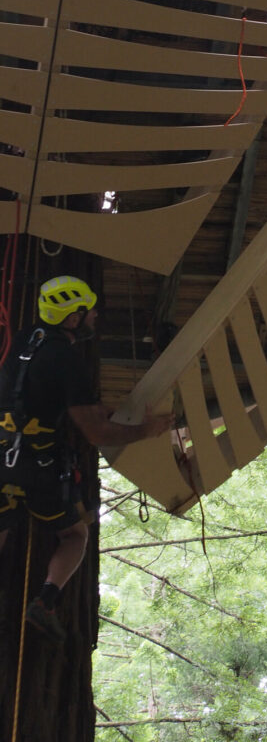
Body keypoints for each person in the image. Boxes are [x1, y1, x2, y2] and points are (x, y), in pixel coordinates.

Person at [0, 275, 173, 644]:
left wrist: (94, 409)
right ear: (73, 318)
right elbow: (96, 434)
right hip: (39, 463)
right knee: (75, 534)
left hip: (2, 452)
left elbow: (36, 392)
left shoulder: (26, 340)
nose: (94, 315)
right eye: (87, 310)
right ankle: (45, 603)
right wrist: (148, 430)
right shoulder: (66, 357)